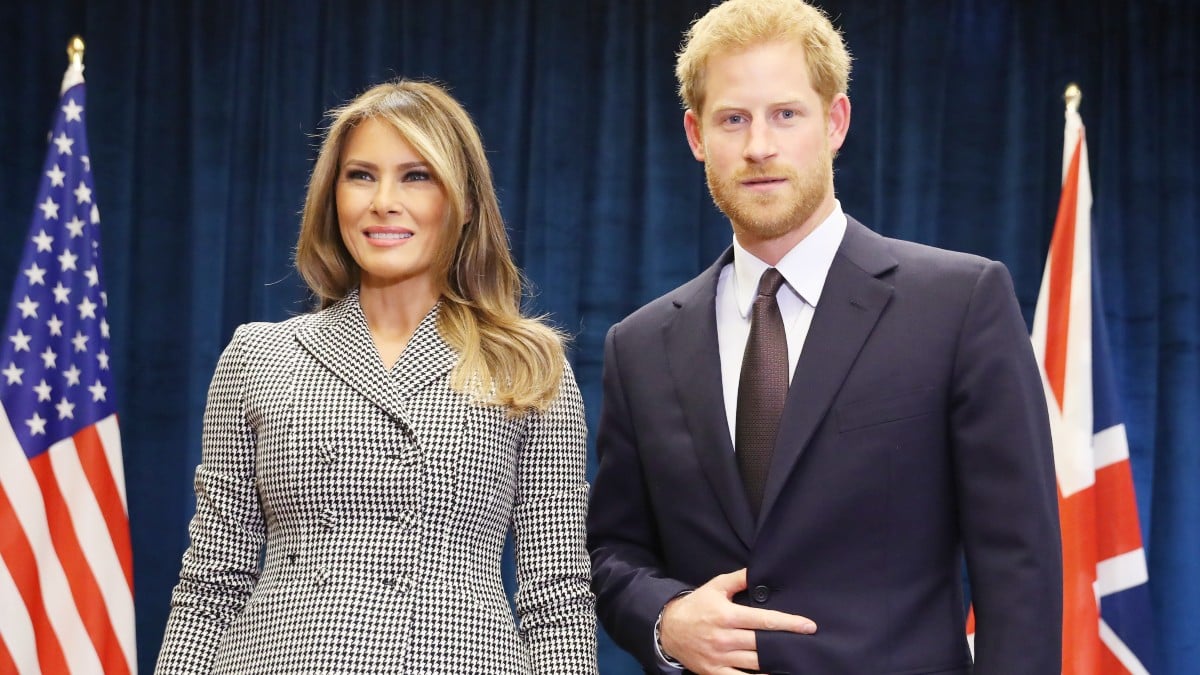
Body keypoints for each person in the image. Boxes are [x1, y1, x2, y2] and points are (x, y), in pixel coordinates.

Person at [586, 0, 1062, 673]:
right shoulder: (638, 346)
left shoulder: (958, 303)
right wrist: (664, 617)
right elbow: (612, 552)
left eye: (786, 113)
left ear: (835, 121)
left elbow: (1021, 564)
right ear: (695, 135)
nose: (759, 146)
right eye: (733, 119)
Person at [156, 80, 597, 673]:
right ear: (331, 196)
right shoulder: (258, 356)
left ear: (460, 200)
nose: (383, 201)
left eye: (416, 176)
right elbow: (212, 582)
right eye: (361, 175)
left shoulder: (529, 365)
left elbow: (558, 597)